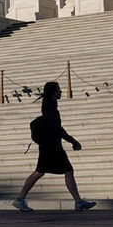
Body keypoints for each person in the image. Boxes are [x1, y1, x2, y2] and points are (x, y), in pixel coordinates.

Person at [11, 81, 95, 212]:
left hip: (49, 146)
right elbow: (58, 129)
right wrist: (73, 141)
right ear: (52, 92)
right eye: (58, 90)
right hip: (52, 147)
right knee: (62, 171)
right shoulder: (50, 109)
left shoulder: (49, 106)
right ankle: (78, 202)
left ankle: (20, 199)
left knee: (42, 172)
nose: (60, 92)